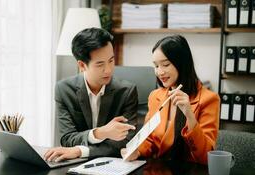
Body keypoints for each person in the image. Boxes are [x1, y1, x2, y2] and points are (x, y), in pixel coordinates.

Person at [122, 35, 220, 165]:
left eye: (165, 64)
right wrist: (137, 151)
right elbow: (150, 139)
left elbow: (206, 157)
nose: (159, 72)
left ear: (182, 63)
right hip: (157, 173)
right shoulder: (155, 96)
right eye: (156, 66)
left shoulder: (209, 99)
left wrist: (189, 116)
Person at [44, 28, 138, 162]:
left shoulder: (126, 92)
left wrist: (79, 150)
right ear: (82, 65)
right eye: (100, 64)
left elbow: (127, 142)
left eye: (111, 60)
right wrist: (101, 133)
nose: (109, 70)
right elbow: (67, 139)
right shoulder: (64, 90)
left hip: (112, 166)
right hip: (74, 167)